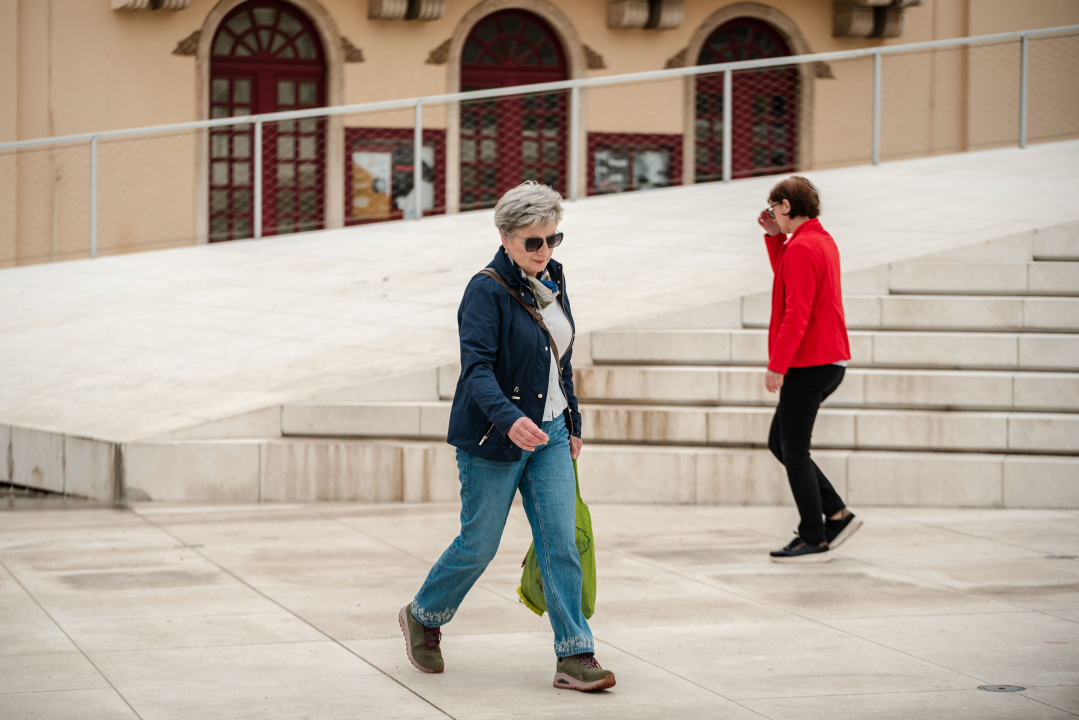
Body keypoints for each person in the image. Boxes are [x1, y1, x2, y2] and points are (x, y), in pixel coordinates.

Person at [399, 181, 615, 692]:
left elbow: (558, 359)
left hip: (552, 435)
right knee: (480, 543)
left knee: (559, 541)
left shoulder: (554, 278)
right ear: (505, 236)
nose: (544, 251)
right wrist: (509, 419)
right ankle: (424, 614)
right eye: (533, 242)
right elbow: (476, 369)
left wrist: (573, 423)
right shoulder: (486, 288)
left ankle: (574, 654)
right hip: (493, 439)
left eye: (552, 239)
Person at [756, 176, 863, 563]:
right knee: (780, 443)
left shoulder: (803, 248)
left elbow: (796, 313)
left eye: (774, 210)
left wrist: (776, 365)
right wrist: (774, 238)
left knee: (794, 450)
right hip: (825, 360)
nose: (772, 217)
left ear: (786, 205)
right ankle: (836, 514)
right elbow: (787, 278)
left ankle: (814, 534)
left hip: (810, 363)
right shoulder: (816, 240)